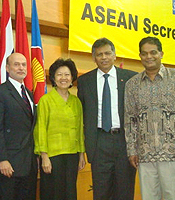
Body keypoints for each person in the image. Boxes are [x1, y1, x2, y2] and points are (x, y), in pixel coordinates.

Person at [124, 36, 175, 200]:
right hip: (144, 154)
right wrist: (132, 150)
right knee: (149, 197)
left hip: (173, 151)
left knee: (172, 196)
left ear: (161, 53)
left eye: (153, 52)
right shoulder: (132, 84)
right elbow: (130, 120)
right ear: (140, 56)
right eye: (144, 53)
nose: (149, 57)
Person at [77, 38, 137, 199]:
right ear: (93, 58)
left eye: (107, 53)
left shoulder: (131, 78)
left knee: (125, 190)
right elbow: (82, 114)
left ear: (115, 55)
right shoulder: (84, 81)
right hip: (99, 142)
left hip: (124, 142)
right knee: (101, 191)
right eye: (99, 54)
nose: (104, 57)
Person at [34, 58, 86, 200]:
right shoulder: (46, 100)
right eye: (59, 74)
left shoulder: (76, 102)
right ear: (53, 78)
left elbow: (80, 129)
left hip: (72, 155)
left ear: (72, 78)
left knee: (69, 193)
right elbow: (41, 129)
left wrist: (81, 154)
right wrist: (44, 156)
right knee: (52, 193)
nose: (63, 78)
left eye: (67, 74)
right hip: (52, 156)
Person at [0, 53, 37, 200]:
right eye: (16, 64)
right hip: (9, 163)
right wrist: (2, 159)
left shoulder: (28, 93)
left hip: (29, 163)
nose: (21, 68)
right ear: (7, 68)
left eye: (23, 64)